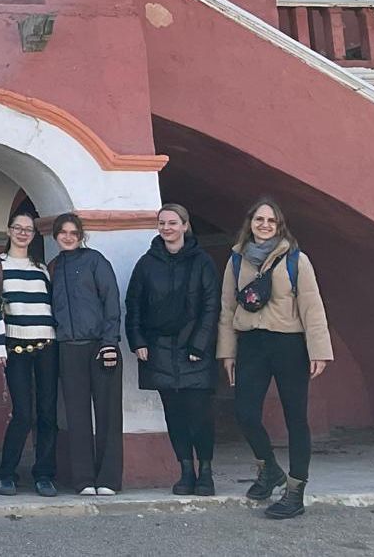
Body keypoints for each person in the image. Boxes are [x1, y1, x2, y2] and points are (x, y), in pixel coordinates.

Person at [217, 198, 332, 519]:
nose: (264, 225)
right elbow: (227, 308)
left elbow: (312, 305)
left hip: (289, 345)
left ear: (279, 225)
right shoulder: (237, 261)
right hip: (251, 344)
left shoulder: (297, 260)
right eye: (259, 220)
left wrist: (319, 350)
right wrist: (227, 352)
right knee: (245, 412)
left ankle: (295, 489)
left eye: (271, 221)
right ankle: (268, 469)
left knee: (296, 418)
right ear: (250, 223)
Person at [125, 204, 220, 497]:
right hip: (159, 350)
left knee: (199, 414)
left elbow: (211, 306)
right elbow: (134, 305)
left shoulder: (202, 262)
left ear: (185, 225)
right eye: (162, 223)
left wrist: (198, 345)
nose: (167, 227)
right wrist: (138, 341)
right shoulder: (146, 264)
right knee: (174, 416)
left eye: (173, 222)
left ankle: (205, 470)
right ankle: (185, 471)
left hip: (194, 351)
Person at [0, 209, 59, 498]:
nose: (23, 232)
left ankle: (44, 474)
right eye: (18, 227)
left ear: (34, 234)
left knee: (48, 413)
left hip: (48, 346)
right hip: (16, 348)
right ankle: (6, 473)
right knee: (23, 413)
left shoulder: (41, 268)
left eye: (29, 229)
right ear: (9, 230)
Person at [49, 213, 123, 496]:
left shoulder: (95, 261)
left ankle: (108, 479)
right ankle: (83, 479)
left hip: (100, 346)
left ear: (81, 235)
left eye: (73, 232)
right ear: (55, 235)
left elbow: (111, 300)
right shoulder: (53, 267)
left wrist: (109, 341)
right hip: (68, 348)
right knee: (77, 416)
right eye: (62, 232)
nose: (68, 237)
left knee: (108, 414)